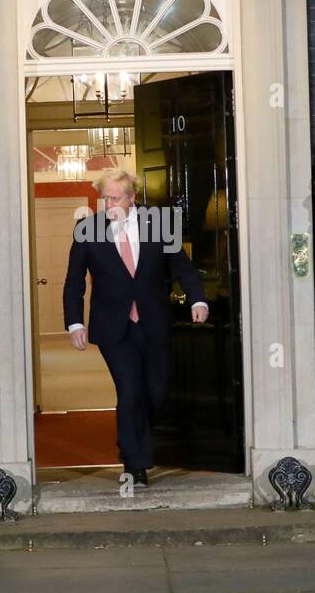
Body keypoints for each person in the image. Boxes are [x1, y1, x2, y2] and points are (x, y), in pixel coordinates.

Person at [62, 169, 208, 486]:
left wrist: (198, 300)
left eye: (115, 197)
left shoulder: (158, 224)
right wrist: (74, 322)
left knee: (155, 391)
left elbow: (182, 265)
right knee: (129, 391)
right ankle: (134, 463)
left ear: (132, 198)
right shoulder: (87, 229)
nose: (108, 204)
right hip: (113, 325)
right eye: (105, 198)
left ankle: (141, 445)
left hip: (153, 322)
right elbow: (74, 281)